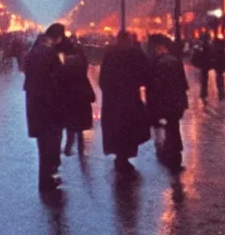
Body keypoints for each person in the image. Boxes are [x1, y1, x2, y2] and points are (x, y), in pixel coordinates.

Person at [99, 31, 151, 174]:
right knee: (130, 129)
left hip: (113, 100)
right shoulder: (135, 52)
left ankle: (119, 156)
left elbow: (103, 79)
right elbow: (145, 73)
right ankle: (125, 157)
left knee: (116, 129)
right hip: (130, 98)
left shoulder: (109, 53)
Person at [23, 24, 67, 191]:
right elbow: (58, 79)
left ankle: (46, 179)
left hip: (35, 104)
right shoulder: (49, 53)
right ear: (57, 37)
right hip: (48, 106)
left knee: (43, 145)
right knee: (50, 144)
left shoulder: (35, 50)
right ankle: (47, 181)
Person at [146, 34, 189, 173]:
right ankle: (175, 151)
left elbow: (154, 86)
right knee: (173, 125)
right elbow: (184, 84)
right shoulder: (175, 61)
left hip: (166, 100)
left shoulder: (157, 64)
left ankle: (171, 151)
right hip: (177, 100)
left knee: (169, 125)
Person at [57, 37, 95, 156]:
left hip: (68, 105)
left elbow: (59, 88)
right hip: (81, 105)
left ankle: (68, 149)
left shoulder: (63, 72)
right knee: (79, 130)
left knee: (70, 130)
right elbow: (89, 92)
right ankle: (80, 150)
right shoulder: (80, 73)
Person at [191, 34, 216, 101]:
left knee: (203, 79)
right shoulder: (209, 46)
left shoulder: (203, 46)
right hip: (206, 64)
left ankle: (203, 93)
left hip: (204, 64)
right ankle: (204, 93)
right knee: (204, 79)